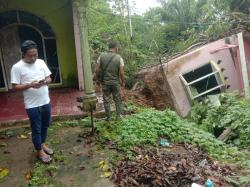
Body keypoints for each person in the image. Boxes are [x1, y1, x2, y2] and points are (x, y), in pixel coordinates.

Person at [11, 40, 53, 163]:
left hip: (45, 101)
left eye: (35, 54)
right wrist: (29, 85)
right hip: (32, 105)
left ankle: (42, 144)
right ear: (23, 54)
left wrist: (44, 82)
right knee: (36, 128)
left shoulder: (40, 62)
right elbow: (15, 87)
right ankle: (39, 151)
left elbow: (49, 78)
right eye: (30, 55)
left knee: (45, 125)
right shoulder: (17, 67)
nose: (34, 57)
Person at [96, 41, 125, 121]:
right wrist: (123, 82)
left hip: (105, 82)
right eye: (117, 47)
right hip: (115, 83)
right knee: (117, 99)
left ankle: (108, 117)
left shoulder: (101, 56)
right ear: (115, 47)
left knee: (106, 99)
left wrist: (97, 80)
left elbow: (97, 70)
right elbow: (122, 73)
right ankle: (118, 116)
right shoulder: (119, 58)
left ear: (109, 48)